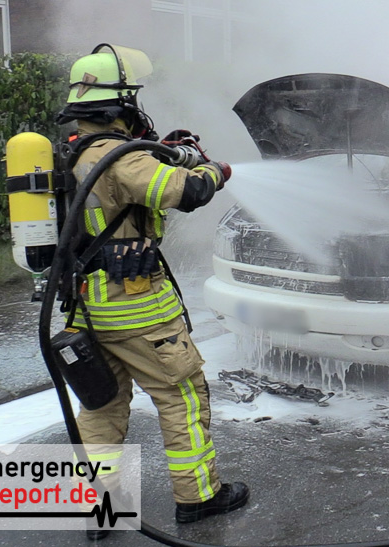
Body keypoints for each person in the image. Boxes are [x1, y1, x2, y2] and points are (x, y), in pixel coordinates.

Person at [54, 44, 246, 537]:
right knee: (182, 396)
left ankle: (97, 508)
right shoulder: (119, 156)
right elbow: (185, 192)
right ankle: (199, 497)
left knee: (101, 407)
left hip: (87, 308)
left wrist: (161, 149)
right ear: (120, 100)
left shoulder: (74, 151)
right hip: (138, 308)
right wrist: (214, 171)